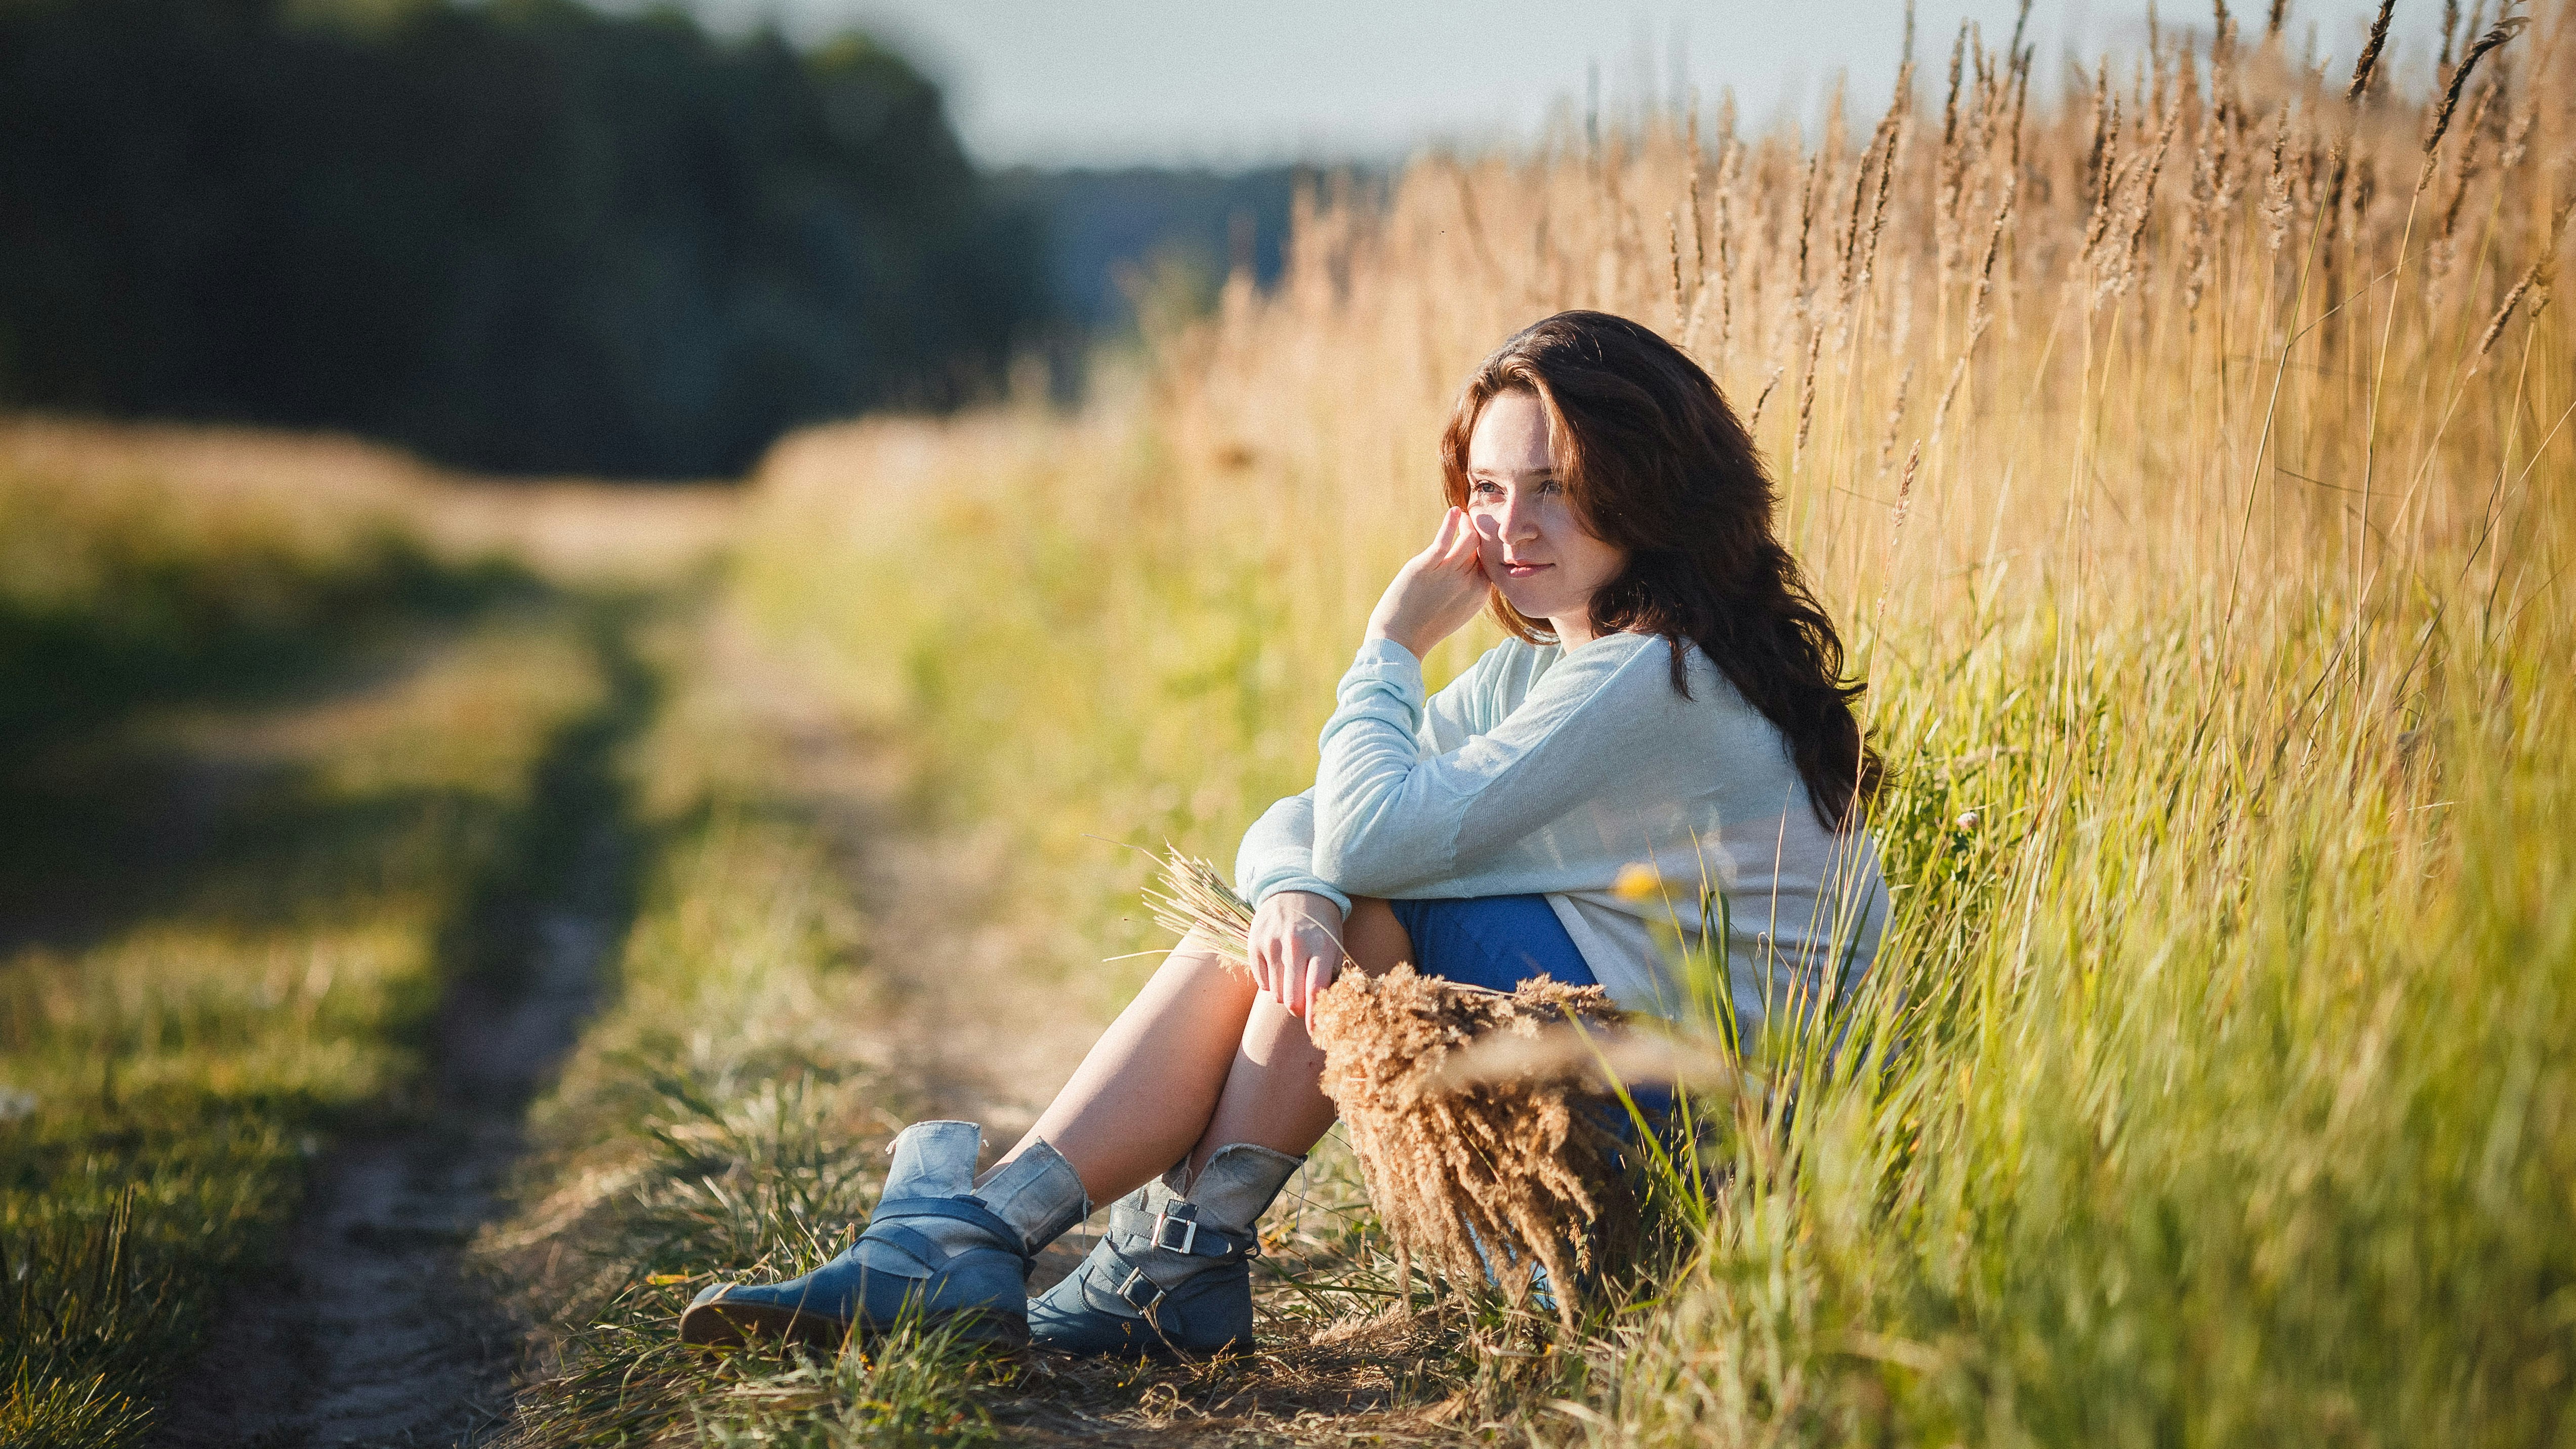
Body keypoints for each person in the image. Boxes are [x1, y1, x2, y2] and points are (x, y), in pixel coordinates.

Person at [679, 309, 1891, 1358]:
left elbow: (1362, 831)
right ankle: (1102, 1256)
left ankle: (1030, 1244)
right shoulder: (1583, 657)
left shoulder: (1646, 677)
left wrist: (1391, 649)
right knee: (1311, 911)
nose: (1510, 526)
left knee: (1362, 909)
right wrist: (1294, 896)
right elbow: (1310, 825)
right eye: (1483, 490)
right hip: (1606, 1121)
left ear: (1648, 486)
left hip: (1677, 1178)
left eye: (1554, 487)